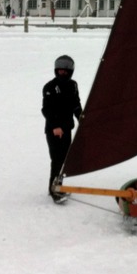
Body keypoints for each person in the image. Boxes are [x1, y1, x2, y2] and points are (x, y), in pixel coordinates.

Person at [41, 55, 82, 204]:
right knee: (57, 159)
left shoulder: (73, 85)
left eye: (65, 71)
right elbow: (47, 110)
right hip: (54, 131)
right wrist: (55, 126)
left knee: (64, 160)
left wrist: (81, 117)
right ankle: (54, 191)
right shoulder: (49, 87)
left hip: (67, 129)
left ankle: (58, 186)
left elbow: (75, 104)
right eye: (59, 71)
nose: (62, 74)